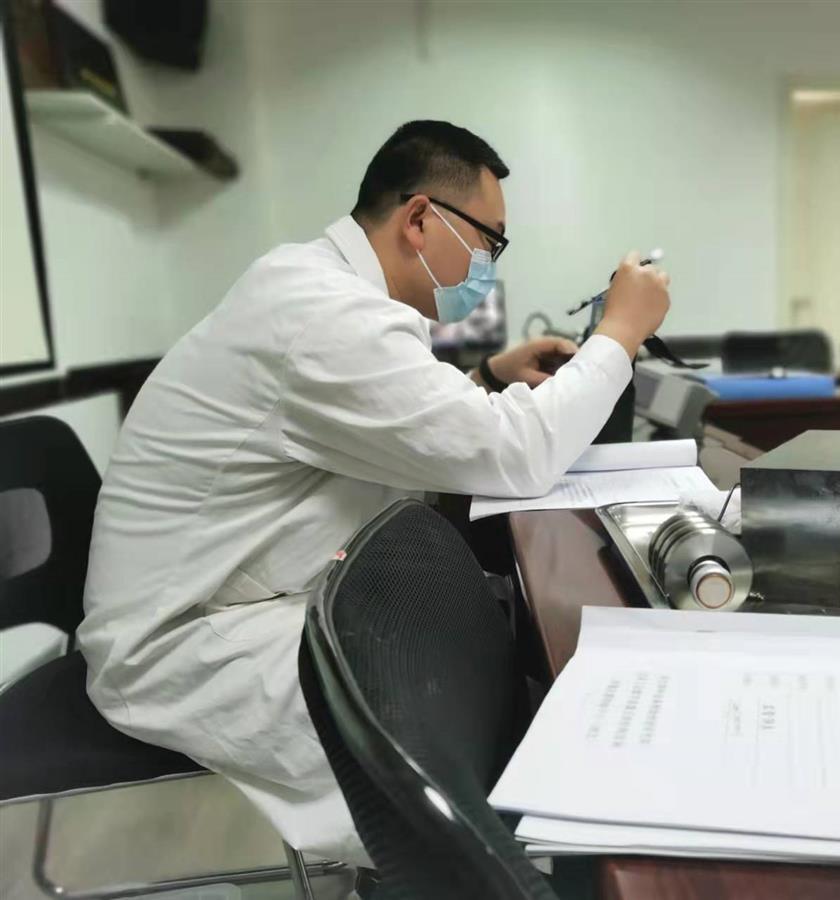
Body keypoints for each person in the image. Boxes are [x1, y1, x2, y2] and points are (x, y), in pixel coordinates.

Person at [77, 121, 670, 865]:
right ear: (420, 219)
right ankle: (485, 865)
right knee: (455, 689)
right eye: (489, 242)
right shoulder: (323, 312)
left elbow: (376, 424)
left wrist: (485, 378)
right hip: (181, 644)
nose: (488, 266)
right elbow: (518, 453)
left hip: (240, 594)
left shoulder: (318, 289)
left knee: (473, 636)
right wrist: (621, 330)